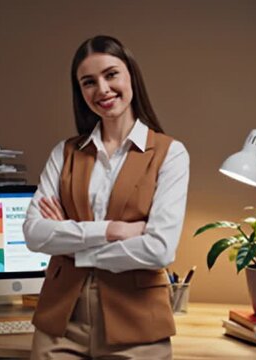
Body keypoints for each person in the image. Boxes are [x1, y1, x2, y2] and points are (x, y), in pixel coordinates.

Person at [23, 35, 190, 359]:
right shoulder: (65, 152)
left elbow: (158, 249)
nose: (101, 89)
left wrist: (74, 249)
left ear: (131, 76)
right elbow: (34, 233)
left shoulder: (171, 153)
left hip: (137, 323)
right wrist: (114, 230)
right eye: (89, 82)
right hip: (60, 323)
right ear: (80, 91)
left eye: (111, 74)